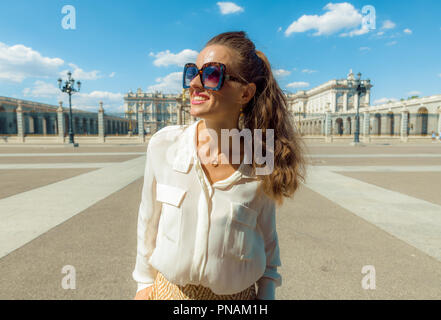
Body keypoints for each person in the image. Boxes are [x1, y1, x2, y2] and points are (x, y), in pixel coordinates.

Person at [132, 31, 306, 300]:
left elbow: (267, 235)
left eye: (212, 74)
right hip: (170, 293)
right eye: (193, 72)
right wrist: (144, 284)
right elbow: (148, 220)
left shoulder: (261, 156)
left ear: (245, 93)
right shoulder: (163, 145)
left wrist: (267, 292)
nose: (195, 84)